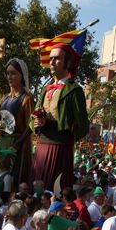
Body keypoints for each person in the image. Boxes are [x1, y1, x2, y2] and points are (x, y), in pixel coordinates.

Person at [31, 44, 90, 191]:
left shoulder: (74, 90)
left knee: (54, 192)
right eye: (50, 58)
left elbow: (83, 125)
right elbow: (32, 117)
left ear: (67, 63)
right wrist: (36, 123)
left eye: (57, 58)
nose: (51, 62)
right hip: (41, 147)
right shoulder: (45, 89)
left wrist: (67, 133)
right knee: (37, 190)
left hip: (60, 149)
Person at [0, 58, 34, 185]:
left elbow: (31, 124)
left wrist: (18, 143)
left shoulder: (27, 99)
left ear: (22, 75)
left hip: (18, 145)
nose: (9, 76)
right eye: (8, 73)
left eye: (13, 73)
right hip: (2, 143)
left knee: (14, 179)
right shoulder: (4, 98)